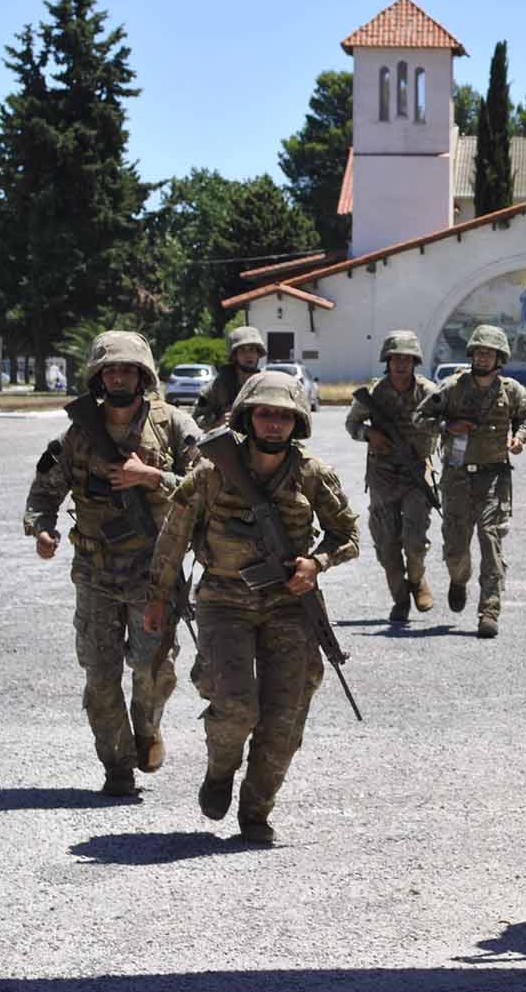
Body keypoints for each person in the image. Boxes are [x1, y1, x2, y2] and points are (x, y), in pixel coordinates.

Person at [142, 371, 360, 843]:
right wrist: (158, 597)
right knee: (237, 706)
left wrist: (316, 563)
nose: (274, 424)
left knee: (285, 717)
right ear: (247, 416)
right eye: (265, 414)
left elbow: (348, 536)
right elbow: (174, 536)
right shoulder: (211, 471)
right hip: (224, 601)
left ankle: (256, 811)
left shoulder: (312, 474)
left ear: (297, 422)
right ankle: (220, 770)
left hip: (289, 605)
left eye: (284, 416)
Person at [23, 331, 201, 796]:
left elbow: (209, 486)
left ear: (143, 376)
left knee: (153, 671)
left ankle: (147, 728)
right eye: (110, 370)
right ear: (98, 378)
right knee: (100, 678)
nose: (118, 377)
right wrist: (42, 530)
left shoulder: (174, 426)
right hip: (96, 574)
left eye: (127, 370)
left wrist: (152, 476)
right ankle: (117, 766)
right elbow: (45, 490)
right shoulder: (78, 433)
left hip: (154, 574)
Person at [430, 324, 526, 639]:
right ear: (471, 354)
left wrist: (519, 438)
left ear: (499, 358)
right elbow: (422, 417)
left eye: (489, 353)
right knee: (456, 547)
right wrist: (448, 427)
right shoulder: (452, 387)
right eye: (479, 352)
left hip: (494, 477)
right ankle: (458, 578)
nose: (483, 358)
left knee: (491, 540)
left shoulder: (512, 390)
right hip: (457, 478)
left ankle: (489, 611)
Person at [345, 330, 442, 624]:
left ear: (415, 362)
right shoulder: (375, 393)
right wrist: (369, 434)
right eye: (395, 359)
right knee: (387, 544)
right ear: (387, 361)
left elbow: (444, 423)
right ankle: (400, 599)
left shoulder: (428, 392)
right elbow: (352, 424)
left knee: (415, 540)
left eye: (407, 359)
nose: (401, 364)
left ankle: (417, 580)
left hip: (416, 473)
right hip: (383, 474)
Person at [193, 326, 267, 430]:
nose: (248, 355)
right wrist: (217, 423)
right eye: (242, 350)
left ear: (258, 354)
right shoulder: (216, 386)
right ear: (234, 356)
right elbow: (196, 420)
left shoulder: (265, 384)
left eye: (252, 349)